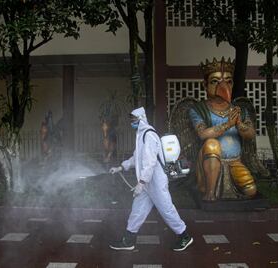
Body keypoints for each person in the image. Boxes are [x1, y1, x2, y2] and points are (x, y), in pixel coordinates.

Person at [109, 107, 193, 252]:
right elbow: (137, 157)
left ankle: (184, 236)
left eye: (134, 120)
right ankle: (128, 240)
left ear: (141, 119)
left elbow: (150, 162)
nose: (131, 122)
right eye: (131, 120)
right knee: (137, 211)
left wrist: (141, 182)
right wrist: (121, 167)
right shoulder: (141, 135)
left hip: (155, 182)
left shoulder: (149, 135)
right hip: (147, 183)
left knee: (166, 210)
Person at [188, 57, 257, 201]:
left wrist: (239, 124)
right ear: (205, 85)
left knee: (251, 190)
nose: (223, 85)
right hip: (209, 160)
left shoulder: (240, 110)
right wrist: (227, 125)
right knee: (212, 143)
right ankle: (210, 193)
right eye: (215, 81)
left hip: (234, 161)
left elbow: (250, 134)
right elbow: (203, 134)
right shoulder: (198, 109)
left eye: (228, 81)